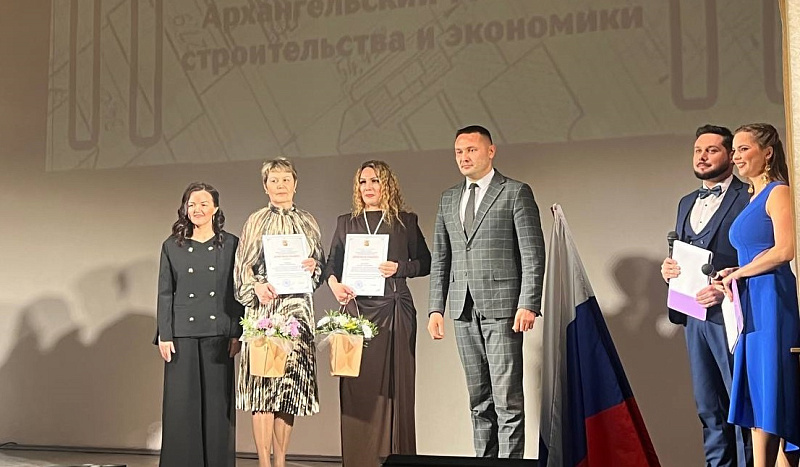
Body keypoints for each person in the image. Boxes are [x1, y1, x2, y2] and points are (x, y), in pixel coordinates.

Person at [427, 125, 545, 458]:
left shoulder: (515, 192)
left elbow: (533, 253)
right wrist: (436, 308)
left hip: (504, 309)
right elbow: (442, 257)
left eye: (471, 150)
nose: (464, 157)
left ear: (490, 151)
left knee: (507, 400)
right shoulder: (449, 198)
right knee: (479, 400)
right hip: (462, 309)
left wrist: (528, 303)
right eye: (458, 152)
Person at [324, 160, 431, 466]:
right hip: (357, 313)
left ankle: (396, 459)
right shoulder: (346, 222)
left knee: (397, 389)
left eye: (375, 181)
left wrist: (400, 268)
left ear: (387, 185)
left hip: (394, 309)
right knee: (358, 390)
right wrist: (335, 285)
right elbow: (332, 265)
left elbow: (425, 262)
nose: (368, 187)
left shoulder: (405, 222)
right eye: (363, 182)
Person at [660, 124, 751, 467]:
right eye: (698, 150)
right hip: (693, 314)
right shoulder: (686, 202)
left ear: (730, 155)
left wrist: (728, 285)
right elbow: (685, 252)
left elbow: (760, 255)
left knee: (739, 404)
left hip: (733, 312)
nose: (702, 156)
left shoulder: (748, 196)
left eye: (712, 150)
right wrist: (669, 269)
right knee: (708, 406)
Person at [234, 158, 325, 467]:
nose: (281, 185)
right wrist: (256, 287)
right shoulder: (256, 221)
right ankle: (263, 461)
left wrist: (314, 266)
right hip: (265, 313)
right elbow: (242, 268)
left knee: (289, 390)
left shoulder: (308, 221)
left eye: (286, 179)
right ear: (265, 186)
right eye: (274, 180)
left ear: (295, 184)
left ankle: (281, 460)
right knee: (262, 390)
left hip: (297, 314)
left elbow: (319, 267)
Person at [720, 123, 800, 467]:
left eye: (744, 149)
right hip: (751, 303)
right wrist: (733, 271)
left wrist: (740, 272)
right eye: (734, 150)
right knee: (758, 396)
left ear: (767, 153)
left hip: (771, 302)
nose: (736, 157)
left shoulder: (778, 192)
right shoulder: (753, 197)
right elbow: (755, 253)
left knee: (772, 392)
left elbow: (785, 249)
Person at [155, 182, 244, 467]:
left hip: (219, 333)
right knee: (182, 406)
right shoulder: (172, 245)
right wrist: (165, 334)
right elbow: (165, 292)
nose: (197, 209)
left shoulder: (231, 244)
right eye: (192, 204)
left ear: (215, 208)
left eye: (204, 204)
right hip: (182, 334)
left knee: (218, 407)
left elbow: (236, 291)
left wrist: (236, 332)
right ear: (185, 209)